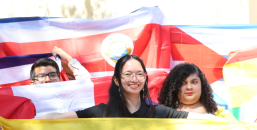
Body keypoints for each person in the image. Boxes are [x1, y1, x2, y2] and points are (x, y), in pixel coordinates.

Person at [38, 54, 197, 120]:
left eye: (139, 74)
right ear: (116, 80)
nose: (134, 79)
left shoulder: (159, 112)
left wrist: (220, 120)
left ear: (145, 78)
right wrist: (21, 123)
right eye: (127, 74)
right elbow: (59, 118)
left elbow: (196, 119)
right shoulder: (102, 111)